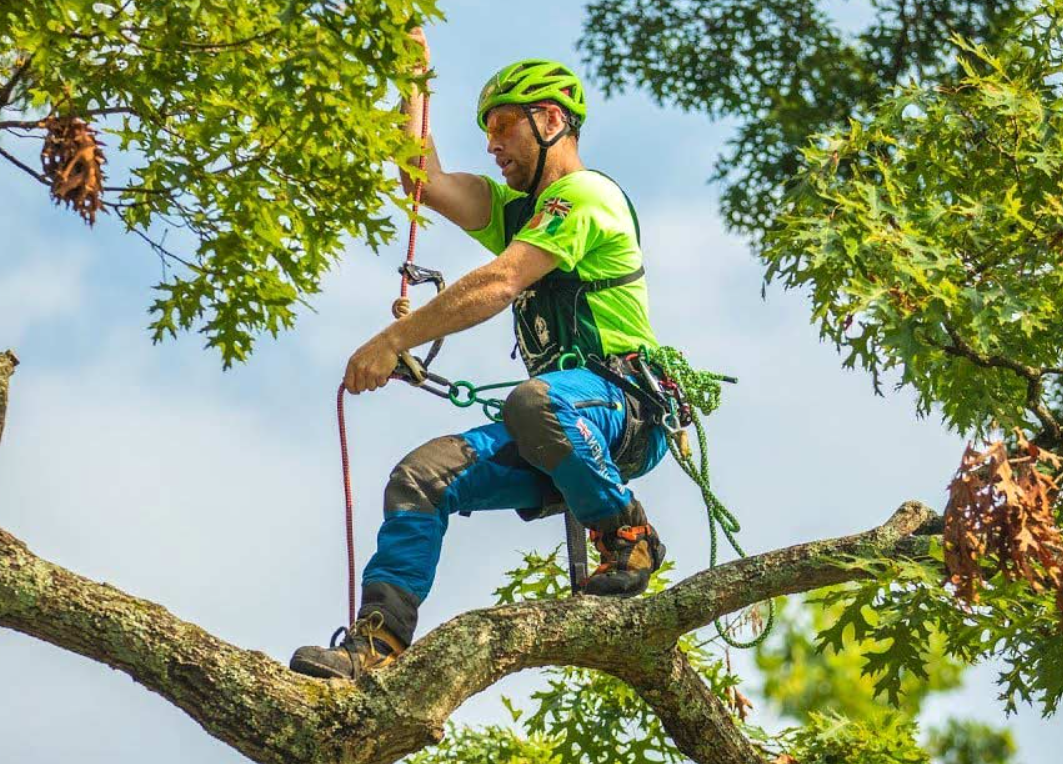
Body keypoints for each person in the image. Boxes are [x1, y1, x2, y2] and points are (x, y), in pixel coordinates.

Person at [290, 29, 670, 680]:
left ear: (550, 120)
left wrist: (392, 341)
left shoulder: (585, 198)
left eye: (502, 127)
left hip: (622, 408)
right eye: (486, 132)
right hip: (556, 423)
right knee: (421, 477)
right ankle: (376, 647)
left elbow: (498, 282)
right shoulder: (518, 211)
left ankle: (627, 535)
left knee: (534, 401)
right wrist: (411, 77)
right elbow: (422, 179)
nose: (491, 146)